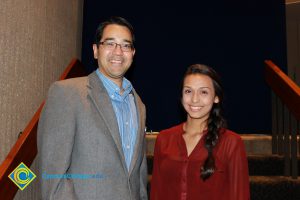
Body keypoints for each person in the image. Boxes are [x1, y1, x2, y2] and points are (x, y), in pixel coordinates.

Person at [37, 16, 147, 200]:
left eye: (126, 45)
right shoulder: (66, 93)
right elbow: (53, 177)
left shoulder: (139, 105)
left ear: (133, 53)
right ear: (96, 50)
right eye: (110, 43)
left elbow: (139, 177)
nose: (118, 51)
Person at [150, 64, 250, 200]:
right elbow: (156, 193)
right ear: (181, 96)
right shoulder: (164, 138)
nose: (194, 99)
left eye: (203, 92)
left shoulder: (231, 142)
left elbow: (240, 195)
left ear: (216, 97)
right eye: (188, 91)